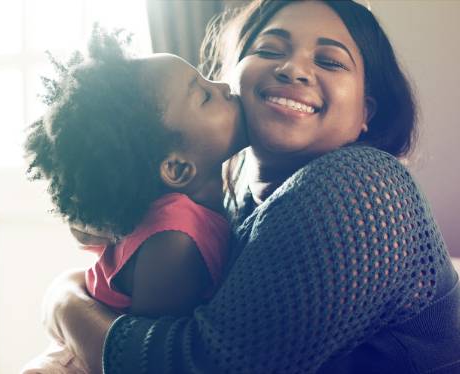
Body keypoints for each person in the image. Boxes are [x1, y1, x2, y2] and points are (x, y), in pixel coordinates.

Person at [40, 1, 460, 373]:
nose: (293, 68)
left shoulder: (359, 185)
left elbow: (202, 365)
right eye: (269, 50)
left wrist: (65, 303)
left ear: (365, 112)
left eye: (330, 61)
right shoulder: (234, 201)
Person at [20, 27, 247, 373]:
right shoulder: (176, 238)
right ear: (176, 167)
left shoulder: (187, 212)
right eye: (204, 96)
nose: (224, 87)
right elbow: (145, 358)